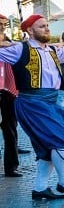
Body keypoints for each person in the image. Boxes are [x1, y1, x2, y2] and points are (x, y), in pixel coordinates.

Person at [0, 15, 64, 199]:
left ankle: (40, 188)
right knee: (59, 140)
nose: (47, 29)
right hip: (32, 102)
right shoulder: (20, 49)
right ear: (30, 31)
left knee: (48, 146)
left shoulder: (53, 51)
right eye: (42, 26)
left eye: (47, 26)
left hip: (50, 102)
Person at [0, 14, 26, 178]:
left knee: (10, 129)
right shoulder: (9, 44)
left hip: (8, 90)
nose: (2, 26)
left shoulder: (11, 43)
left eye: (3, 24)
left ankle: (11, 166)